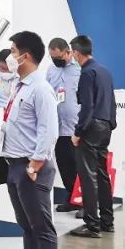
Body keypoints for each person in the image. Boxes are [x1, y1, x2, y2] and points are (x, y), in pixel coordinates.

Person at [0, 31, 59, 249]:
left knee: (42, 229)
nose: (10, 57)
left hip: (31, 168)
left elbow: (49, 130)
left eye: (13, 51)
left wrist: (35, 165)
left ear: (26, 56)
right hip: (14, 165)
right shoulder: (20, 85)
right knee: (28, 227)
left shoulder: (41, 89)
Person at [67, 35, 117, 239]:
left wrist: (78, 131)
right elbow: (111, 101)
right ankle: (107, 221)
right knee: (102, 174)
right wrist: (111, 124)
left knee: (88, 177)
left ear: (77, 53)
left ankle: (92, 224)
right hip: (105, 126)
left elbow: (87, 106)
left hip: (91, 128)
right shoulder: (104, 71)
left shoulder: (87, 73)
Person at [46, 38, 80, 213]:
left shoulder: (79, 70)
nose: (55, 61)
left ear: (68, 52)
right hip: (57, 127)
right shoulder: (51, 70)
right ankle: (72, 198)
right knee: (64, 166)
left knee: (80, 166)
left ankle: (85, 202)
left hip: (75, 127)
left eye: (58, 57)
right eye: (52, 57)